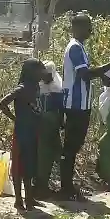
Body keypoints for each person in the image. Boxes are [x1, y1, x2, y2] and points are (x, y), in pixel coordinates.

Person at [60, 13, 110, 199]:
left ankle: (67, 187)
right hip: (76, 105)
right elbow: (84, 75)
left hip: (80, 104)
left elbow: (85, 73)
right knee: (71, 147)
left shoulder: (79, 47)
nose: (90, 30)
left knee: (73, 146)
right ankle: (66, 188)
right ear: (78, 28)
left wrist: (102, 76)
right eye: (87, 26)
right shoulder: (75, 48)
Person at [0, 58, 46, 210]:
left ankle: (29, 198)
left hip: (33, 132)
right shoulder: (22, 88)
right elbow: (2, 103)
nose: (43, 73)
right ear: (31, 72)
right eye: (40, 70)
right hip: (22, 133)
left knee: (30, 166)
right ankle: (19, 199)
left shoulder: (36, 88)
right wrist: (15, 118)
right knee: (19, 167)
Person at [36, 61, 64, 198]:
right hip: (41, 125)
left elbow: (62, 109)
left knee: (53, 155)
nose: (44, 78)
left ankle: (50, 184)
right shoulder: (39, 86)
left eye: (47, 75)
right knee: (42, 156)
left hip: (52, 125)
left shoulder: (57, 87)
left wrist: (62, 123)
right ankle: (41, 186)